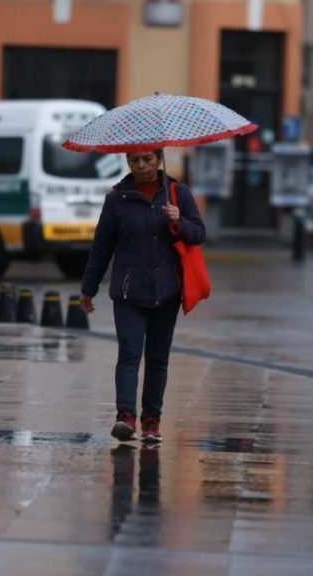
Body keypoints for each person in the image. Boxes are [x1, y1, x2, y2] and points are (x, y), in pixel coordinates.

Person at [79, 148, 205, 443]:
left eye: (147, 159)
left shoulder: (178, 194)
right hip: (128, 291)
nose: (141, 165)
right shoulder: (117, 200)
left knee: (158, 359)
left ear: (158, 159)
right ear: (127, 162)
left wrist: (179, 221)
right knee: (129, 354)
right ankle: (125, 417)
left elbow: (199, 233)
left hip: (167, 291)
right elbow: (101, 247)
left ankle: (151, 421)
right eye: (134, 160)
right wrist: (88, 288)